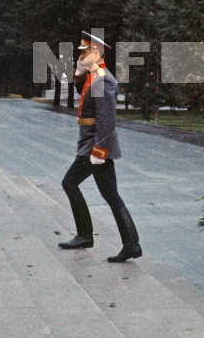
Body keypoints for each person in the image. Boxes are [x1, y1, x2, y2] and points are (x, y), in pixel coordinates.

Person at [58, 31, 142, 263]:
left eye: (84, 52)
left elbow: (107, 121)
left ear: (95, 53)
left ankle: (87, 235)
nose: (80, 55)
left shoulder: (103, 79)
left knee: (70, 182)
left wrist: (99, 152)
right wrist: (78, 72)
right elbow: (84, 98)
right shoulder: (94, 76)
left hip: (95, 147)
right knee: (110, 194)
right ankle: (130, 244)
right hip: (91, 144)